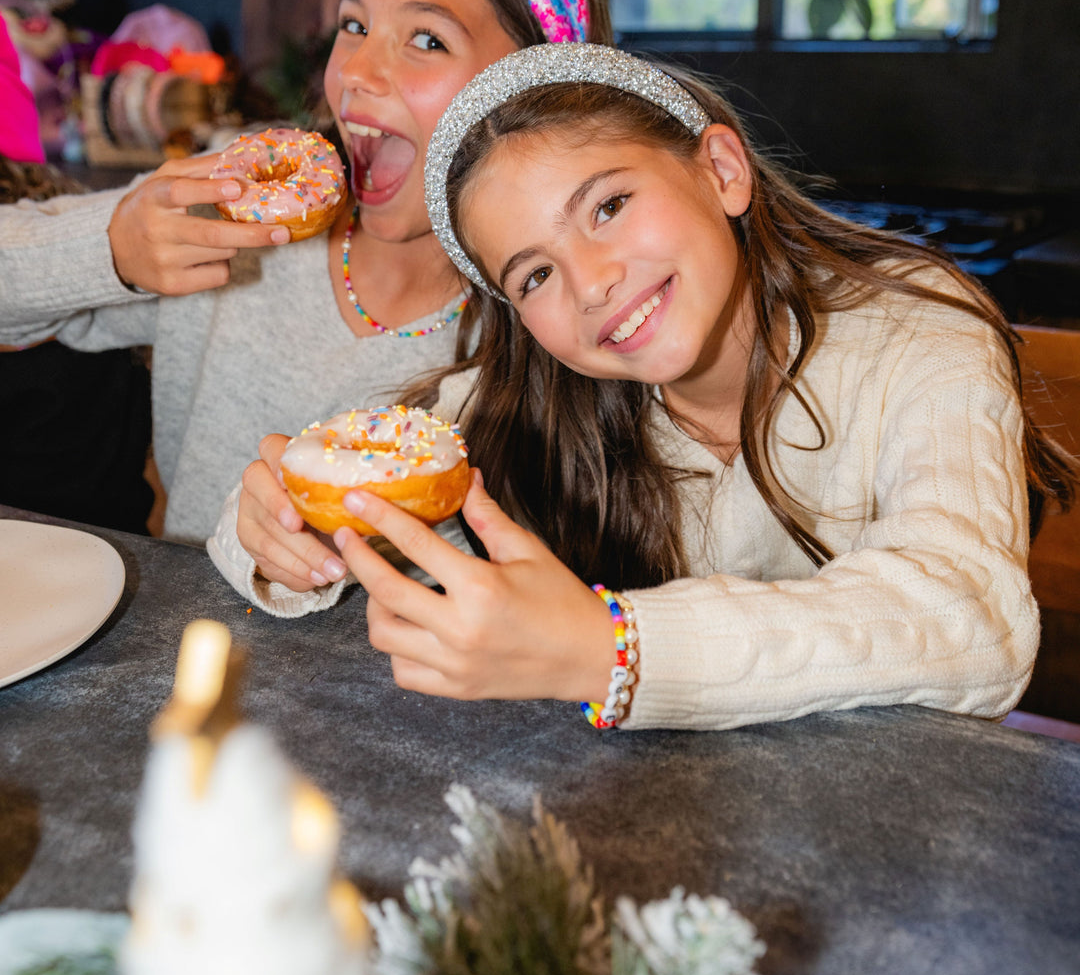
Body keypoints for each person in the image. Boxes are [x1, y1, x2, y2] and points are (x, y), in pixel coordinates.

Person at [241, 43, 1073, 733]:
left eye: (607, 207)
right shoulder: (543, 403)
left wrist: (608, 650)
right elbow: (362, 469)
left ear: (720, 170)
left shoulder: (921, 334)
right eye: (533, 276)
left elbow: (974, 620)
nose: (592, 283)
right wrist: (286, 534)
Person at [0, 0, 611, 544]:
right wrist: (111, 247)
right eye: (354, 25)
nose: (356, 71)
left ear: (533, 92)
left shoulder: (549, 332)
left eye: (427, 40)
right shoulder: (233, 212)